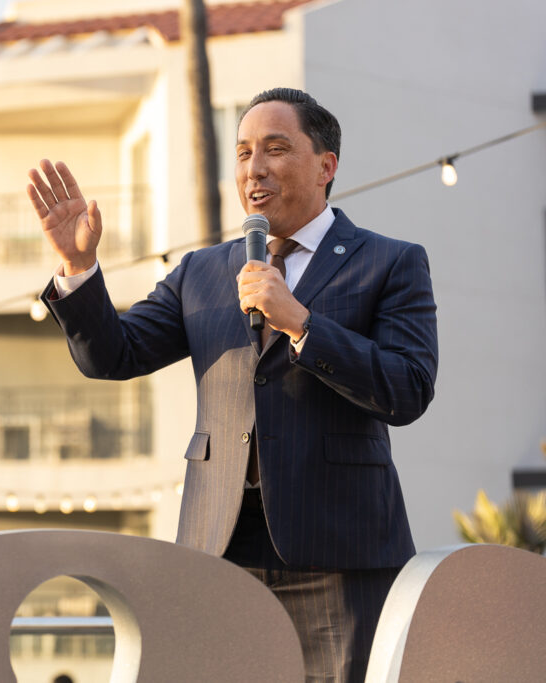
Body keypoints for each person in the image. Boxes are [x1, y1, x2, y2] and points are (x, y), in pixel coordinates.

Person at [26, 87, 438, 682]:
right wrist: (78, 269)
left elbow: (409, 387)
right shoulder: (203, 271)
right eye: (243, 152)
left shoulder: (390, 262)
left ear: (327, 166)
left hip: (340, 558)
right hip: (217, 549)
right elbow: (113, 355)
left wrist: (301, 322)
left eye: (275, 148)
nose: (255, 167)